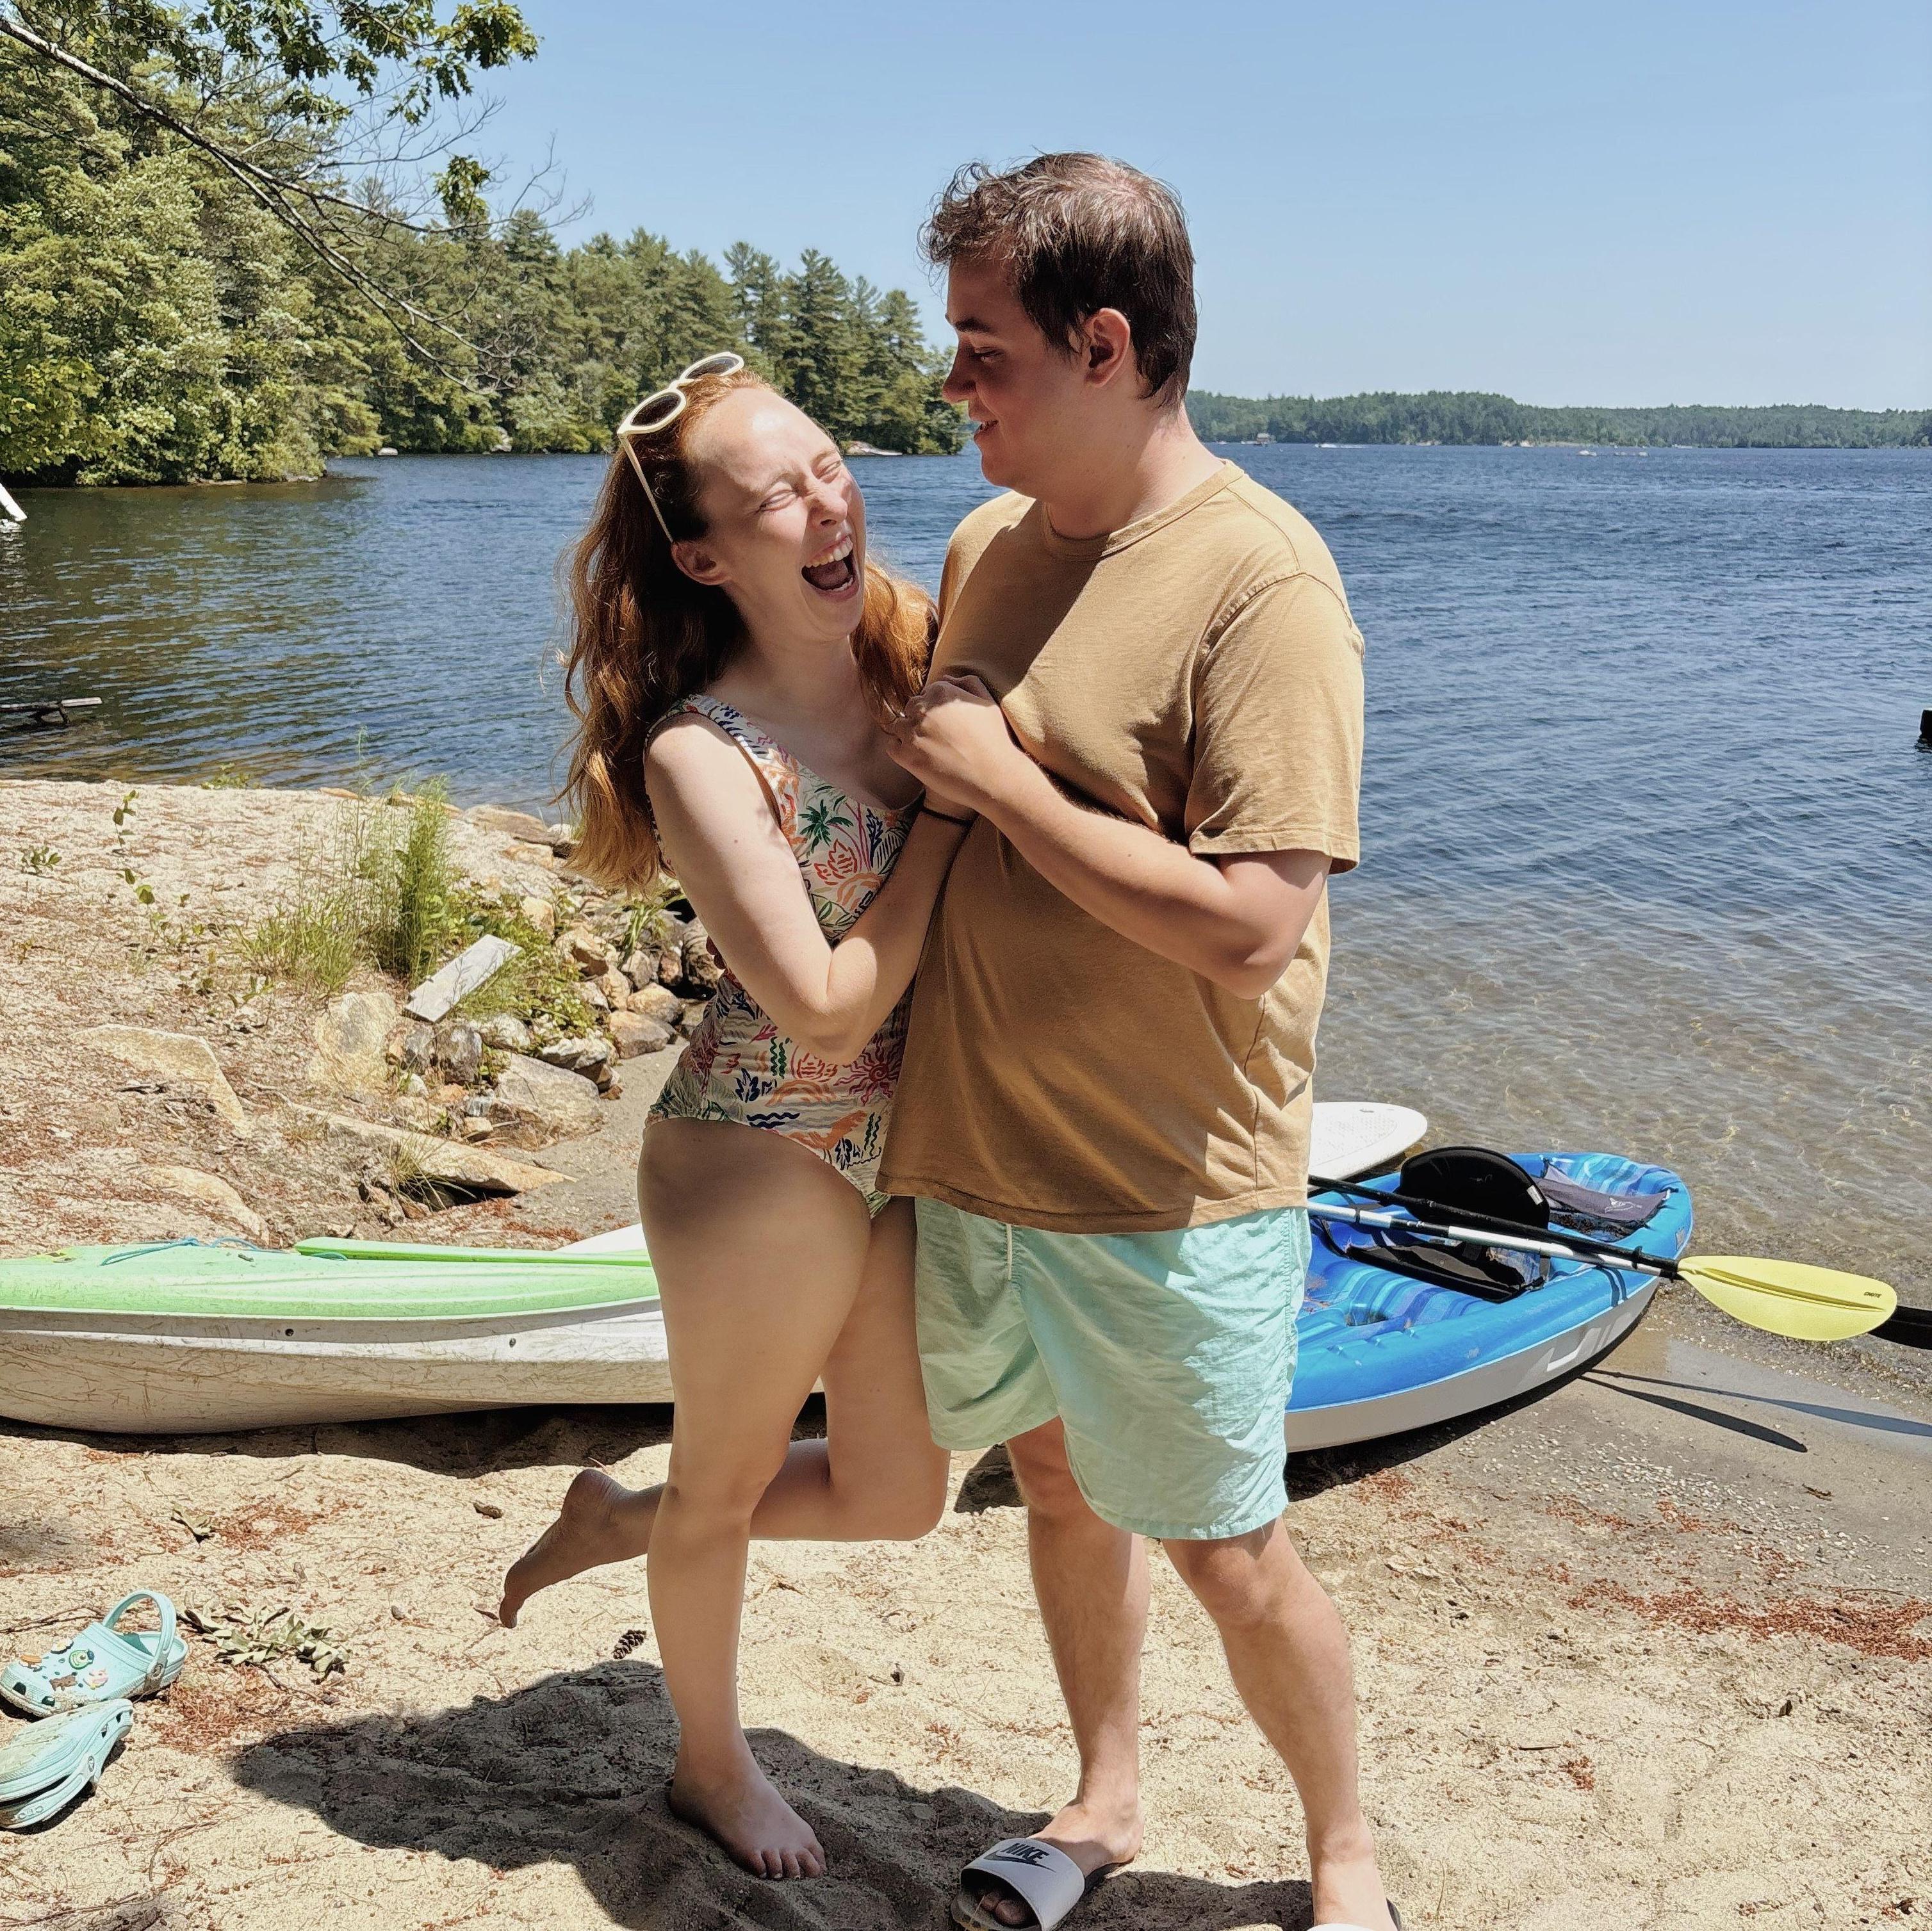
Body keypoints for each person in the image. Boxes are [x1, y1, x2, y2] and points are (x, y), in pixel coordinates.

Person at [879, 158, 1400, 1931]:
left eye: (982, 346)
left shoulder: (1265, 585)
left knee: (1227, 1546)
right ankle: (1100, 1802)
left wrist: (1009, 789)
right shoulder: (978, 550)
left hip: (1168, 1186)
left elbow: (1255, 929)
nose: (952, 384)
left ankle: (1344, 1860)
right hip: (978, 1156)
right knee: (1048, 1484)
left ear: (1106, 346)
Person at [499, 354, 972, 1882]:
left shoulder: (920, 656)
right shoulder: (700, 754)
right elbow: (828, 999)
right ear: (704, 553)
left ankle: (621, 1515)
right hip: (757, 1142)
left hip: (904, 1141)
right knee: (730, 1475)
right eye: (773, 492)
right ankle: (710, 1764)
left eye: (824, 464)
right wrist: (959, 819)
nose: (824, 502)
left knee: (903, 1493)